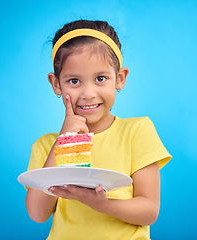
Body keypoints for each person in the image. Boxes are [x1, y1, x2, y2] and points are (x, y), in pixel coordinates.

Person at [25, 19, 172, 240]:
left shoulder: (136, 131)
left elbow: (149, 211)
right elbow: (37, 214)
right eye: (74, 81)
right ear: (56, 84)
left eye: (100, 78)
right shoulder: (46, 146)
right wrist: (64, 142)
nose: (88, 93)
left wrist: (101, 204)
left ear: (119, 79)